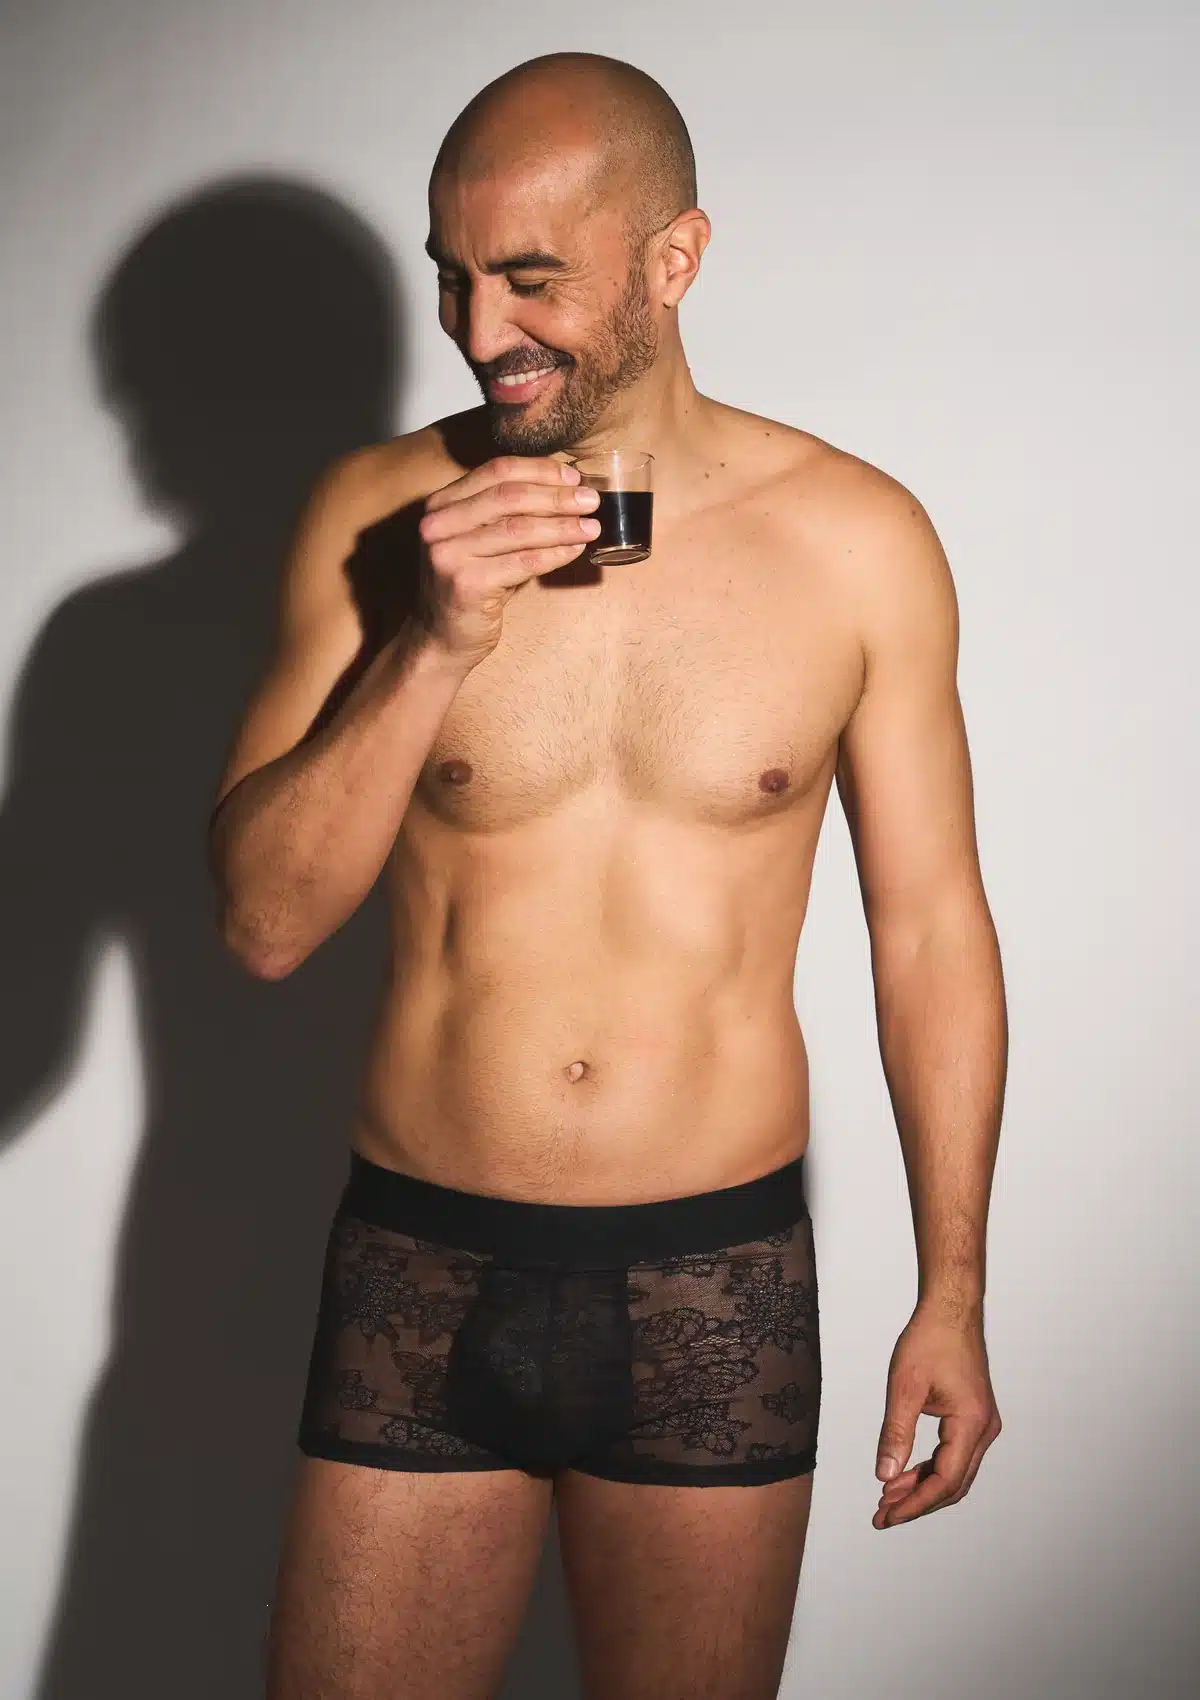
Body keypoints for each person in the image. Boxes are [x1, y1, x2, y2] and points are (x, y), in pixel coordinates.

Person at [209, 50, 1006, 1700]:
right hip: (422, 1268)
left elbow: (930, 933)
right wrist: (431, 645)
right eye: (449, 275)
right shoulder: (376, 515)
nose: (478, 328)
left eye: (529, 277)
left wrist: (954, 1291)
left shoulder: (858, 541)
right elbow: (264, 925)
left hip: (715, 1279)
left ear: (673, 259)